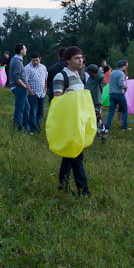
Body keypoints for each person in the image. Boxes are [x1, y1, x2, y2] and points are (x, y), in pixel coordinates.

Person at [52, 46, 90, 196]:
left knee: (69, 156)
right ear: (68, 60)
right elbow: (57, 99)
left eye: (81, 57)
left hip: (78, 120)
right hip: (69, 123)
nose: (80, 60)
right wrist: (69, 95)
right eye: (76, 58)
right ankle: (84, 189)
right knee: (76, 155)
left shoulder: (79, 75)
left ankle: (62, 185)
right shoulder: (61, 76)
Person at [105, 60, 131, 134]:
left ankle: (107, 127)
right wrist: (125, 86)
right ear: (123, 66)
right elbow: (120, 84)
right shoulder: (121, 73)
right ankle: (124, 127)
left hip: (111, 94)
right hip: (119, 94)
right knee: (125, 110)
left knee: (111, 111)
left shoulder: (112, 72)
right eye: (126, 66)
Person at [25, 52, 48, 133]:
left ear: (40, 59)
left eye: (37, 60)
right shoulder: (27, 68)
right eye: (34, 60)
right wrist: (30, 91)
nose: (35, 62)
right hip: (32, 93)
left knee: (40, 112)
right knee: (33, 111)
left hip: (42, 93)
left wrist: (45, 88)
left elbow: (45, 78)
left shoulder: (43, 67)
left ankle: (39, 126)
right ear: (31, 59)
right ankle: (33, 129)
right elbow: (25, 81)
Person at [9, 44, 29, 131]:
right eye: (25, 48)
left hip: (19, 87)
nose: (26, 50)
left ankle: (24, 125)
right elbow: (16, 77)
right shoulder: (17, 61)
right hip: (19, 87)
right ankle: (18, 127)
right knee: (19, 108)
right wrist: (24, 86)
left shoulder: (17, 60)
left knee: (27, 107)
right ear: (21, 51)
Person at [84, 64, 105, 134]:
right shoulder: (90, 79)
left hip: (96, 102)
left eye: (90, 72)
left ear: (94, 72)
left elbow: (102, 76)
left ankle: (101, 132)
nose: (88, 74)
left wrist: (98, 71)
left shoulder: (98, 79)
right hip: (89, 101)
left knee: (98, 117)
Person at [46, 47, 67, 112]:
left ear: (58, 56)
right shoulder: (69, 67)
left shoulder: (52, 67)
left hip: (54, 92)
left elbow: (48, 82)